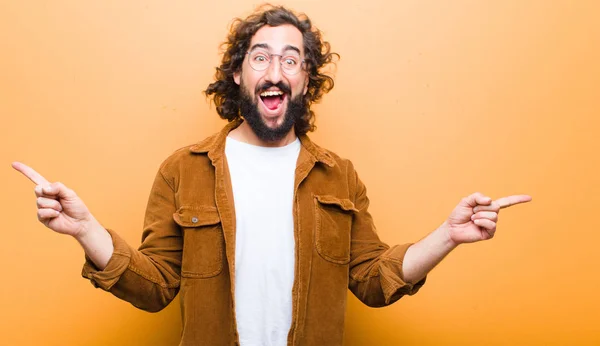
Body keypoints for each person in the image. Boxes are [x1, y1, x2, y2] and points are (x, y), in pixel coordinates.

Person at [12, 5, 531, 346]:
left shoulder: (338, 177)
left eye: (291, 59)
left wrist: (449, 236)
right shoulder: (182, 170)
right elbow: (155, 288)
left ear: (306, 79)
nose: (275, 70)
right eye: (260, 57)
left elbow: (373, 282)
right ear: (238, 75)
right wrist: (86, 230)